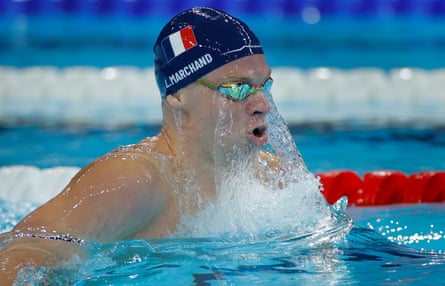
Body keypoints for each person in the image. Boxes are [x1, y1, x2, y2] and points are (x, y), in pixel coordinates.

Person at [0, 6, 281, 284]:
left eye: (263, 85)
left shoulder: (270, 177)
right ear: (179, 96)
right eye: (237, 88)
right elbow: (21, 256)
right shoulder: (133, 183)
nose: (263, 105)